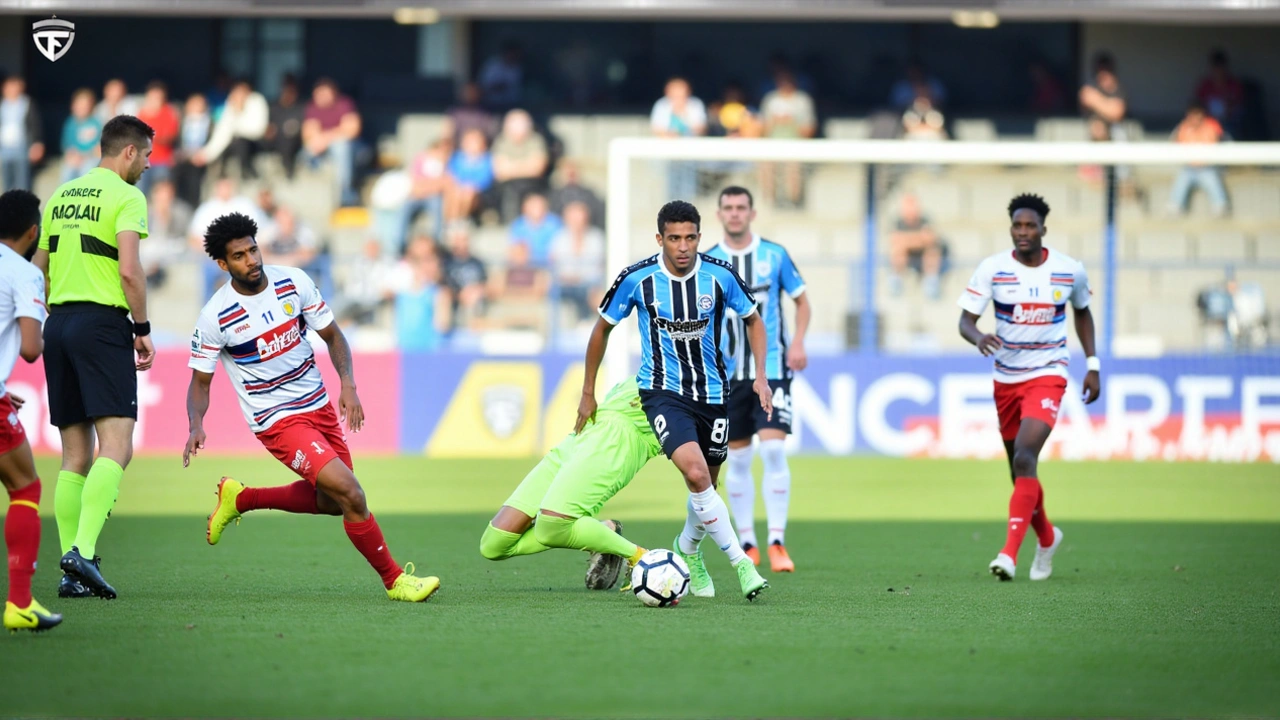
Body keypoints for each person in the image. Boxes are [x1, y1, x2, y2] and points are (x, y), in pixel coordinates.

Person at [184, 212, 440, 603]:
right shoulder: (215, 316)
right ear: (223, 264)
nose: (252, 260)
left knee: (335, 503)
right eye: (239, 256)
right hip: (277, 420)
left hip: (318, 406)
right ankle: (395, 581)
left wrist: (348, 385)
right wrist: (195, 424)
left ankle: (241, 498)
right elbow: (200, 382)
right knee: (352, 494)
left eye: (253, 249)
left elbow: (334, 336)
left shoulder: (294, 282)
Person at [579, 200, 771, 601]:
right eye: (674, 238)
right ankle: (741, 564)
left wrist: (761, 377)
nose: (682, 247)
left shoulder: (720, 277)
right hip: (663, 393)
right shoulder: (638, 278)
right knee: (697, 476)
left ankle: (687, 549)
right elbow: (602, 329)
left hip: (715, 394)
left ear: (700, 237)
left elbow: (754, 319)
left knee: (708, 487)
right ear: (660, 239)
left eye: (690, 238)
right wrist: (587, 392)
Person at [33, 115, 156, 600]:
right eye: (145, 154)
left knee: (74, 454)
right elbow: (130, 271)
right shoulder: (127, 197)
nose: (148, 164)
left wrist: (56, 307)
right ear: (127, 152)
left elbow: (39, 266)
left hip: (58, 323)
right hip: (102, 325)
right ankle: (82, 551)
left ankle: (70, 573)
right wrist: (141, 329)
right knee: (117, 444)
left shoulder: (63, 194)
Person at [957, 194, 1101, 582]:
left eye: (1030, 226)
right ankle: (1048, 537)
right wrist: (978, 337)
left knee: (1024, 455)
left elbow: (1082, 312)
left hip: (1048, 372)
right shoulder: (993, 269)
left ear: (1043, 230)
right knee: (1020, 470)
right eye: (1017, 226)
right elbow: (965, 321)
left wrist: (1092, 364)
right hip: (1006, 379)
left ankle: (1008, 553)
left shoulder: (1069, 271)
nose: (1023, 232)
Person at [703, 187, 809, 572]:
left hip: (774, 370)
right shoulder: (708, 261)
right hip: (727, 378)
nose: (734, 214)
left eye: (740, 208)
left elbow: (801, 300)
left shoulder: (774, 255)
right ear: (719, 214)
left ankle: (777, 541)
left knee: (775, 451)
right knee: (740, 458)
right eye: (728, 208)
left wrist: (797, 340)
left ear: (752, 212)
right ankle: (748, 542)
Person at [481, 377, 659, 592]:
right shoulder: (663, 355)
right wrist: (587, 393)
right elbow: (599, 340)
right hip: (587, 428)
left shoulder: (702, 376)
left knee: (550, 529)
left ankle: (641, 557)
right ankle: (604, 534)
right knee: (493, 545)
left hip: (618, 439)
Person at [0, 189, 62, 632]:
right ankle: (19, 603)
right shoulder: (23, 272)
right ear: (33, 232)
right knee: (25, 487)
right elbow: (29, 349)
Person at [302, 79, 362, 207]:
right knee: (306, 152)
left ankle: (346, 195)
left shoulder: (344, 104)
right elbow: (308, 133)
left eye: (324, 93)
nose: (321, 97)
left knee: (341, 147)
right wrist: (321, 139)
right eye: (318, 94)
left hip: (353, 149)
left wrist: (326, 137)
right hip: (323, 151)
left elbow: (352, 130)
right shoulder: (312, 107)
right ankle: (315, 198)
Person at [194, 79, 269, 181]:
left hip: (256, 143)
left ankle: (247, 173)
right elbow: (222, 132)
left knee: (241, 143)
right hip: (237, 144)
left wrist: (238, 118)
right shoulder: (231, 104)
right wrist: (206, 154)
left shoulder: (257, 101)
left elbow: (257, 130)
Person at [1168, 102, 1229, 217]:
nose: (1195, 118)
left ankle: (1220, 206)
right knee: (1182, 178)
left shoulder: (1211, 126)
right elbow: (1174, 143)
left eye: (1197, 114)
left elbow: (1218, 143)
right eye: (1192, 115)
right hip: (1189, 168)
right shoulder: (1183, 127)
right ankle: (1175, 206)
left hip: (1207, 167)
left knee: (1211, 179)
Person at [888, 193, 944, 299]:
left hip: (922, 256)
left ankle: (931, 281)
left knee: (932, 251)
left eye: (912, 206)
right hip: (907, 257)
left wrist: (906, 241)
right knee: (898, 251)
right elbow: (894, 240)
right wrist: (918, 239)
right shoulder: (897, 222)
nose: (910, 210)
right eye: (907, 207)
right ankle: (896, 280)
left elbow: (930, 239)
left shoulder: (925, 220)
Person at [134, 82, 180, 196]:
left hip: (163, 161)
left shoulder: (169, 112)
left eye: (159, 97)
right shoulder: (141, 113)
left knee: (161, 192)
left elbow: (170, 137)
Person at [1, 76, 43, 192]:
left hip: (22, 148)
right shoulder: (2, 105)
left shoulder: (27, 104)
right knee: (7, 183)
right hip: (5, 149)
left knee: (22, 182)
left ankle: (23, 208)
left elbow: (35, 125)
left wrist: (37, 144)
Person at [266, 75, 305, 180]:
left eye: (291, 90)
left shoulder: (301, 107)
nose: (288, 93)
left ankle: (288, 169)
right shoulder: (273, 107)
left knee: (287, 138)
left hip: (294, 144)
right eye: (285, 90)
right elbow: (267, 128)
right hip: (274, 142)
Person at [60, 88, 102, 183]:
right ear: (73, 106)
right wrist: (73, 156)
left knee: (87, 169)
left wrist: (87, 155)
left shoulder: (96, 123)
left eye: (85, 105)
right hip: (75, 157)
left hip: (91, 157)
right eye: (79, 105)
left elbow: (98, 147)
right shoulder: (70, 123)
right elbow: (67, 145)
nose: (82, 108)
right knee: (67, 170)